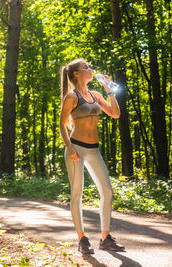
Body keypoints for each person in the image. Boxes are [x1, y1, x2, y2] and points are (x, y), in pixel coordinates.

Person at [59, 58, 125, 254]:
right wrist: (70, 149)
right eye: (86, 67)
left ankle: (105, 238)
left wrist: (109, 90)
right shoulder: (71, 97)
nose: (90, 69)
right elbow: (62, 125)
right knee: (77, 193)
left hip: (94, 149)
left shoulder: (96, 95)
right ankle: (82, 239)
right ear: (77, 74)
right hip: (76, 148)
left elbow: (115, 114)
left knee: (107, 191)